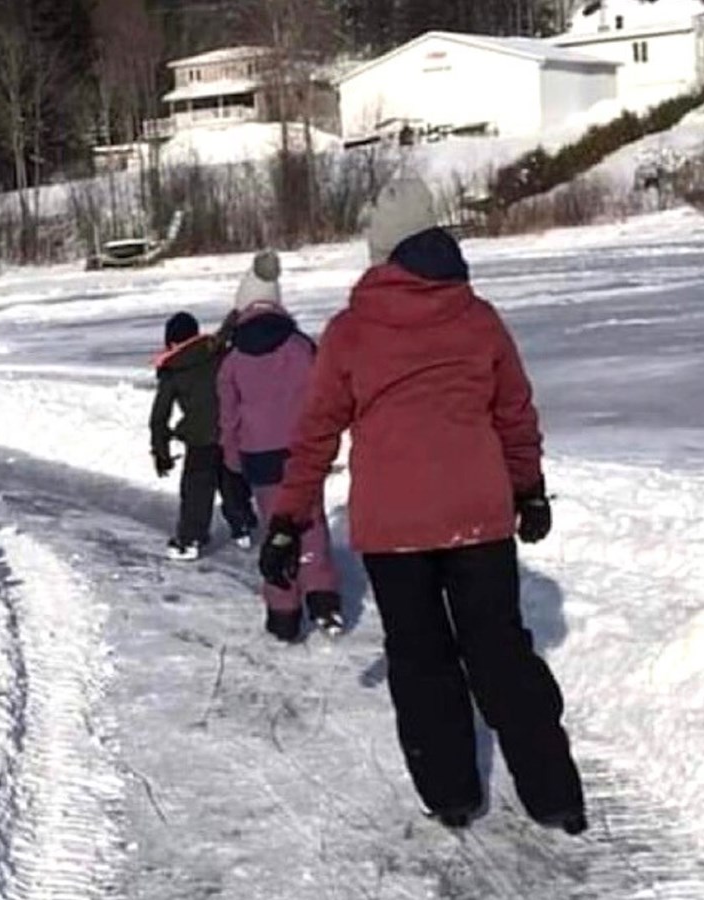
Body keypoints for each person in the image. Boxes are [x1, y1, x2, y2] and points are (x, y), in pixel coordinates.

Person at [257, 177, 586, 835]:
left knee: (421, 657)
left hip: (394, 530)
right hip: (479, 518)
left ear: (382, 253)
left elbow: (316, 433)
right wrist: (527, 489)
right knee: (499, 652)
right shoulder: (479, 317)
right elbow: (514, 414)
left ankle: (452, 794)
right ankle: (555, 796)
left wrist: (290, 519)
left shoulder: (350, 332)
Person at [218, 251, 342, 642]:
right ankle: (322, 597)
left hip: (260, 458)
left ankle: (284, 612)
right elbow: (324, 397)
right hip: (302, 451)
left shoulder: (232, 359)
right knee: (311, 520)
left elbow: (228, 417)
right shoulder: (301, 347)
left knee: (276, 525)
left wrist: (233, 460)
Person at [151, 311, 256, 561]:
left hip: (200, 438)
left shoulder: (173, 369)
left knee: (196, 489)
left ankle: (190, 540)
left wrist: (161, 453)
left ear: (171, 341)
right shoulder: (218, 352)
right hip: (232, 429)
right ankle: (242, 526)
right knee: (231, 480)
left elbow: (159, 417)